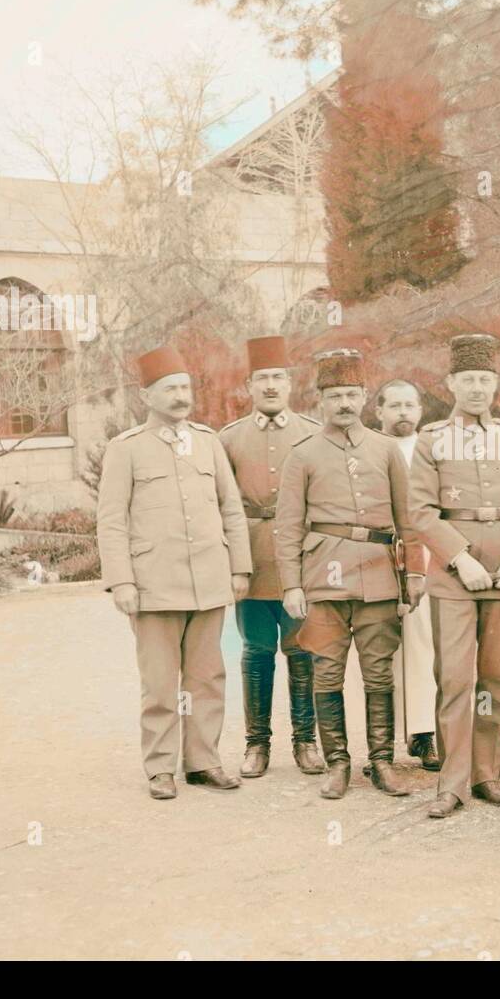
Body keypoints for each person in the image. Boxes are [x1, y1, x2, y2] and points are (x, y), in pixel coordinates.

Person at [97, 345, 252, 800]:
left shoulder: (208, 441)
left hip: (208, 583)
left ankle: (203, 761)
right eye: (170, 389)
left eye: (185, 387)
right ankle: (161, 768)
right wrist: (122, 581)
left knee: (207, 679)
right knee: (161, 683)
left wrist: (239, 568)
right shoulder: (126, 449)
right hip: (153, 587)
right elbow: (111, 520)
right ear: (147, 396)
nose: (181, 396)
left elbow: (231, 509)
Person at [274, 349, 424, 800]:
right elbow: (287, 525)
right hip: (323, 576)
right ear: (320, 399)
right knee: (327, 673)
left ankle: (381, 762)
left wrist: (413, 575)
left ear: (364, 398)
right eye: (335, 394)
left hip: (379, 575)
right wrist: (292, 585)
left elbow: (409, 517)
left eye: (352, 394)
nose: (344, 403)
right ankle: (337, 763)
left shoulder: (387, 450)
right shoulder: (302, 455)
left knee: (379, 674)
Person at [408, 333, 500, 819]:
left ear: (495, 384)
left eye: (485, 380)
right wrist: (459, 557)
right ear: (450, 383)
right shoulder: (431, 440)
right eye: (467, 380)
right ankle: (452, 783)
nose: (476, 389)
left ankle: (486, 775)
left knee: (494, 679)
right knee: (455, 678)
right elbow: (421, 511)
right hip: (454, 576)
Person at [219, 335, 324, 778]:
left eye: (278, 377)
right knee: (256, 650)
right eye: (261, 378)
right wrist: (234, 564)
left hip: (301, 557)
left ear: (290, 383)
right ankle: (256, 745)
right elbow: (221, 506)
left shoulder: (314, 434)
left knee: (302, 650)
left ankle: (306, 742)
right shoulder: (228, 439)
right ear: (248, 385)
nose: (270, 385)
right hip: (253, 558)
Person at [374, 378, 440, 771]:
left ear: (420, 410)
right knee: (379, 649)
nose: (403, 413)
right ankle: (379, 740)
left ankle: (424, 733)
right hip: (377, 553)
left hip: (424, 556)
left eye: (409, 405)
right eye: (394, 405)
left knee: (423, 644)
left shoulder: (431, 451)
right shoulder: (369, 448)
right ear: (379, 411)